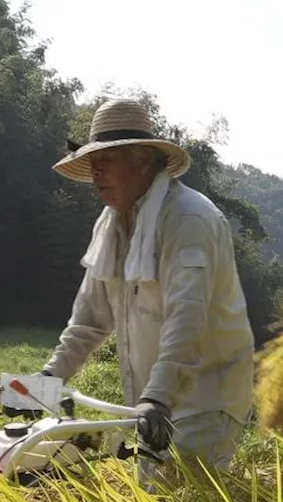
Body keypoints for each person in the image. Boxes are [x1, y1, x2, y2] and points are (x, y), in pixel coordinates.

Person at [40, 98, 255, 470]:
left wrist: (157, 397)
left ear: (141, 160)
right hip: (155, 402)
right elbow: (90, 318)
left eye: (105, 162)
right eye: (92, 164)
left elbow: (186, 316)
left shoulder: (188, 220)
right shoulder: (112, 226)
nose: (96, 175)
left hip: (204, 398)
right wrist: (46, 379)